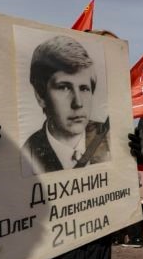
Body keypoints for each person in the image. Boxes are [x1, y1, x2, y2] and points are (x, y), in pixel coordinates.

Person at [21, 35, 110, 175]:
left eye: (84, 88)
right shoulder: (25, 157)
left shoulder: (109, 136)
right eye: (64, 88)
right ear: (40, 95)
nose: (78, 103)